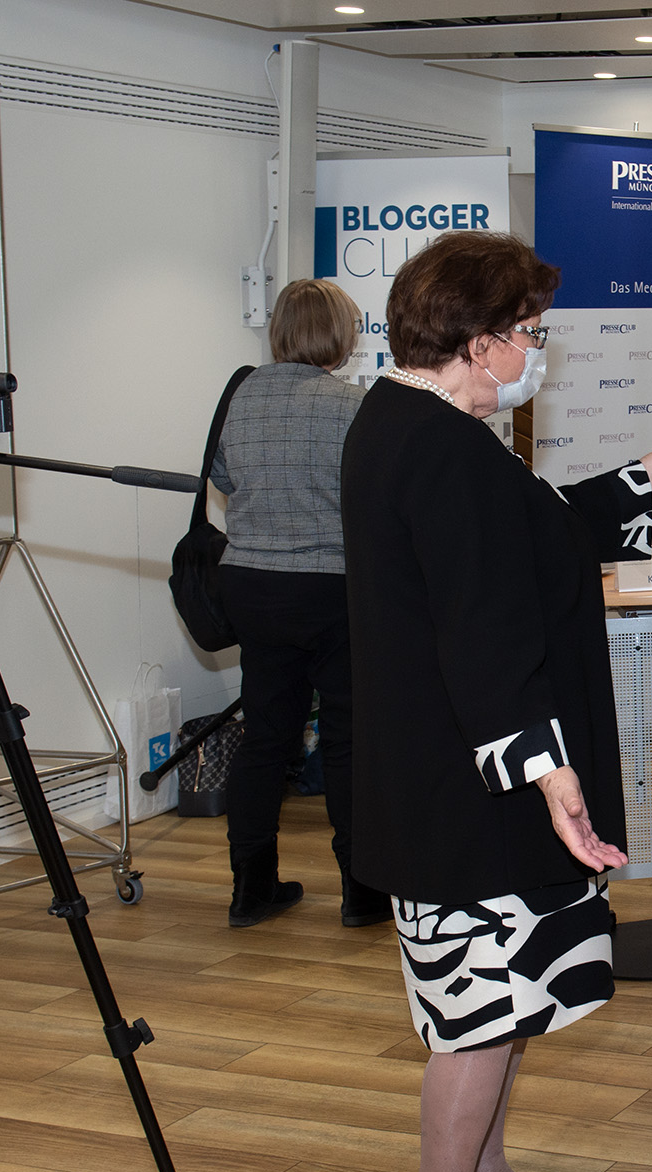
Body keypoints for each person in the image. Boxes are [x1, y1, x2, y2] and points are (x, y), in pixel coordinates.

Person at [341, 230, 652, 1172]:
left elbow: (543, 532)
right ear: (477, 341)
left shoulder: (414, 423)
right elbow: (483, 632)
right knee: (478, 1013)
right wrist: (553, 777)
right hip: (473, 791)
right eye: (528, 332)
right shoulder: (441, 448)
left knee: (512, 995)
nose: (537, 351)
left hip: (460, 773)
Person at [210, 277, 385, 929]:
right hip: (332, 588)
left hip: (252, 584)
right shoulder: (355, 405)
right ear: (340, 335)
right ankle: (362, 892)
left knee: (265, 737)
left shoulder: (241, 396)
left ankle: (251, 888)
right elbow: (376, 494)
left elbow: (222, 477)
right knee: (348, 739)